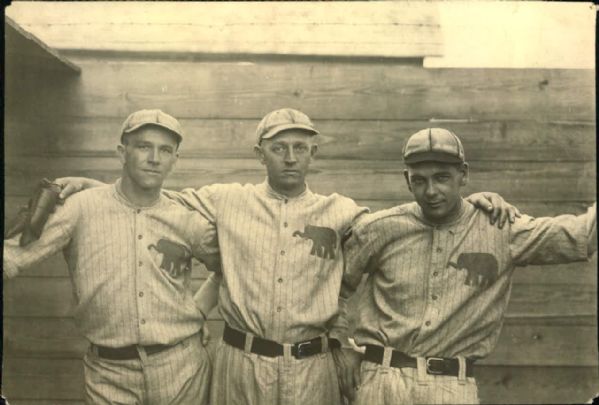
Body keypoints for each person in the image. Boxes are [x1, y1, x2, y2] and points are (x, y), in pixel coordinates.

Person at [50, 109, 518, 405]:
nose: (290, 157)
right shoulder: (225, 200)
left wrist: (476, 200)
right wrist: (95, 187)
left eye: (299, 147)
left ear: (313, 152)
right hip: (240, 363)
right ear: (261, 153)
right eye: (279, 148)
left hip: (312, 367)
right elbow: (155, 196)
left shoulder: (342, 211)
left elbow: (409, 220)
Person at [338, 127, 597, 405]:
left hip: (451, 388)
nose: (431, 191)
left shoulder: (499, 228)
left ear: (464, 174)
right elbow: (331, 286)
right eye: (420, 180)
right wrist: (342, 345)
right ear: (407, 180)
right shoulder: (380, 228)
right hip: (380, 382)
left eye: (442, 178)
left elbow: (580, 235)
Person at [3, 109, 220, 405]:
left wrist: (199, 311)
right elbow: (11, 258)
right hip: (109, 373)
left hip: (181, 368)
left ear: (174, 160)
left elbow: (229, 267)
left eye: (165, 150)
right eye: (144, 146)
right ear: (123, 152)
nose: (154, 158)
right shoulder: (80, 208)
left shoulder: (186, 219)